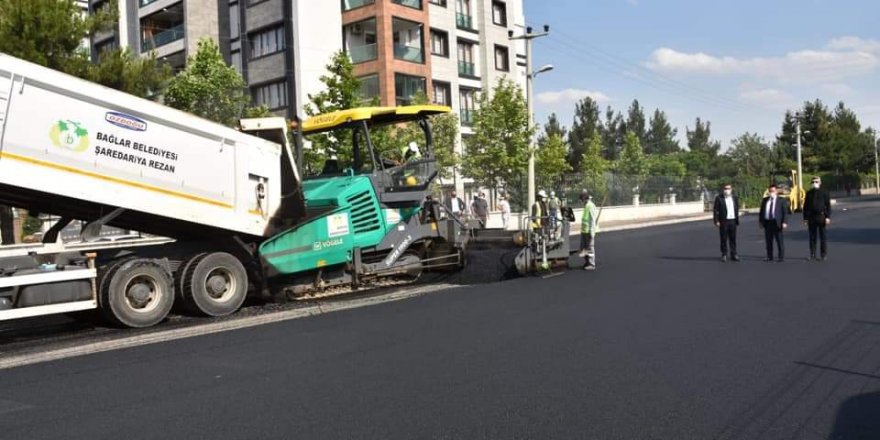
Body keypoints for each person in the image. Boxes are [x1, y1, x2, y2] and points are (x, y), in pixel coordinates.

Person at [803, 176, 832, 261]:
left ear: (820, 183)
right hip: (811, 217)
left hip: (821, 216)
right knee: (812, 237)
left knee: (823, 236)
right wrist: (805, 219)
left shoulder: (824, 192)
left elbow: (828, 206)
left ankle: (823, 255)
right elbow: (806, 207)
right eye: (812, 182)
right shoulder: (809, 193)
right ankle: (812, 254)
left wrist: (828, 217)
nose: (814, 183)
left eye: (816, 181)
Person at [759, 184, 789, 262]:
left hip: (777, 223)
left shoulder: (781, 200)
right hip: (768, 223)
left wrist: (785, 222)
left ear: (776, 191)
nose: (771, 192)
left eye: (773, 191)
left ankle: (781, 257)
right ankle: (769, 256)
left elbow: (785, 212)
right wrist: (761, 222)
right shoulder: (765, 200)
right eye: (770, 191)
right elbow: (761, 212)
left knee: (779, 241)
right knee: (768, 241)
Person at [712, 183, 740, 262]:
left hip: (733, 220)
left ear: (731, 189)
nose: (727, 190)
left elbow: (736, 208)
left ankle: (734, 254)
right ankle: (724, 254)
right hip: (724, 221)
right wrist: (716, 220)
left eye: (728, 188)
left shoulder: (735, 198)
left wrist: (737, 219)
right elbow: (715, 210)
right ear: (723, 189)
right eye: (725, 188)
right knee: (723, 238)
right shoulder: (719, 198)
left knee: (733, 238)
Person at [579, 190, 600, 270]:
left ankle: (591, 264)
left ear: (584, 198)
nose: (581, 201)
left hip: (589, 231)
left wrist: (592, 232)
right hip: (584, 231)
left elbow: (592, 220)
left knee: (590, 248)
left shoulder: (590, 206)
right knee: (583, 248)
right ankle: (587, 262)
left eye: (581, 199)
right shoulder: (586, 205)